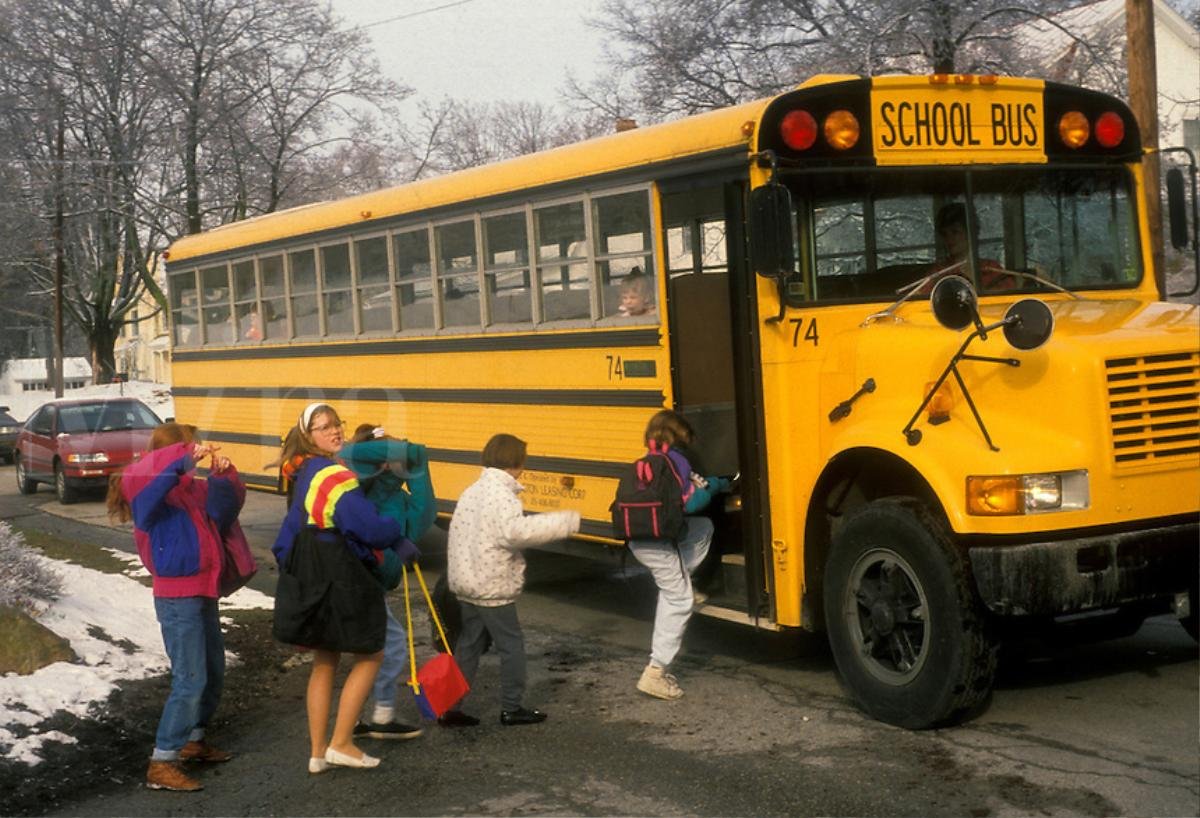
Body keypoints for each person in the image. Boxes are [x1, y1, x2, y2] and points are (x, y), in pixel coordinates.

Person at [271, 403, 419, 774]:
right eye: (323, 427)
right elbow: (365, 526)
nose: (333, 431)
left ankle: (318, 751)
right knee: (371, 653)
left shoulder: (305, 472)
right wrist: (396, 537)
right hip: (338, 574)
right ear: (309, 436)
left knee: (325, 661)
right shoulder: (334, 474)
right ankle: (342, 743)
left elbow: (288, 532)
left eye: (335, 424)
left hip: (311, 572)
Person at [107, 422, 246, 793]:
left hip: (204, 588)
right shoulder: (148, 487)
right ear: (173, 453)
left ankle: (193, 740)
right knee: (190, 678)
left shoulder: (190, 489)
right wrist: (180, 461)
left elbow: (223, 513)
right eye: (191, 447)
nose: (198, 452)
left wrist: (223, 477)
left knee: (212, 669)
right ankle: (162, 760)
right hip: (176, 595)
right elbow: (149, 498)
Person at [442, 433, 581, 727]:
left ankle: (450, 707)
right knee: (511, 645)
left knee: (468, 644)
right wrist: (564, 522)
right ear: (517, 463)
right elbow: (516, 532)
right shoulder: (502, 497)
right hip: (492, 586)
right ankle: (511, 707)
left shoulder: (472, 491)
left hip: (467, 583)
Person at [338, 423, 437, 742]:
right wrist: (410, 452)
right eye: (389, 454)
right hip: (358, 583)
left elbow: (426, 514)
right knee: (390, 647)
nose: (399, 460)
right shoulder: (357, 489)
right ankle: (375, 717)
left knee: (375, 651)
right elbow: (347, 451)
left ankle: (366, 718)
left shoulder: (399, 498)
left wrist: (418, 466)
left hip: (372, 585)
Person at [627, 409, 729, 701]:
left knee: (702, 528)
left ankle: (683, 578)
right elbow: (690, 504)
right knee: (678, 598)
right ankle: (655, 673)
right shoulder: (678, 461)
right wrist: (712, 488)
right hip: (657, 541)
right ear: (680, 435)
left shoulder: (647, 461)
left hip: (640, 538)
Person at [921, 203, 1016, 294]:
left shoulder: (991, 268)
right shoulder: (939, 271)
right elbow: (921, 297)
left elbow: (1010, 296)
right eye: (945, 234)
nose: (949, 239)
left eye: (955, 232)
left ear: (971, 233)